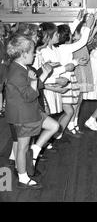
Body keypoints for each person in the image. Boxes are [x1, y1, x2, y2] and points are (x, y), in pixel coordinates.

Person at [5, 34, 59, 189]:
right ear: (23, 54)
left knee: (54, 126)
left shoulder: (22, 67)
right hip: (23, 115)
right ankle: (23, 178)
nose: (34, 54)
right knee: (22, 148)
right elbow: (29, 94)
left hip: (31, 111)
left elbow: (33, 86)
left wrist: (44, 73)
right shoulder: (16, 72)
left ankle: (35, 150)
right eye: (32, 52)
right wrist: (36, 80)